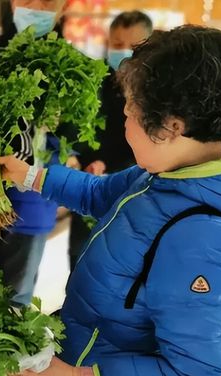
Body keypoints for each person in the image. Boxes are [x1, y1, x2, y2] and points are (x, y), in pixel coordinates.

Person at [0, 25, 221, 376]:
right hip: (95, 372)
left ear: (172, 127)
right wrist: (31, 175)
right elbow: (101, 192)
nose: (123, 123)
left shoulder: (202, 236)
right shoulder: (166, 173)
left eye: (129, 113)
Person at [0, 0, 67, 307]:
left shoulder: (67, 63)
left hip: (33, 200)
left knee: (15, 300)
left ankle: (6, 354)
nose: (35, 7)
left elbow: (79, 139)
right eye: (27, 0)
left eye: (46, 2)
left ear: (62, 8)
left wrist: (59, 127)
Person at [67, 10, 153, 270]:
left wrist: (115, 167)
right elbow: (78, 129)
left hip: (135, 184)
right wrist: (80, 157)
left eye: (133, 46)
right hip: (90, 179)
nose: (124, 52)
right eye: (117, 45)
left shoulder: (154, 92)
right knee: (81, 253)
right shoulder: (93, 80)